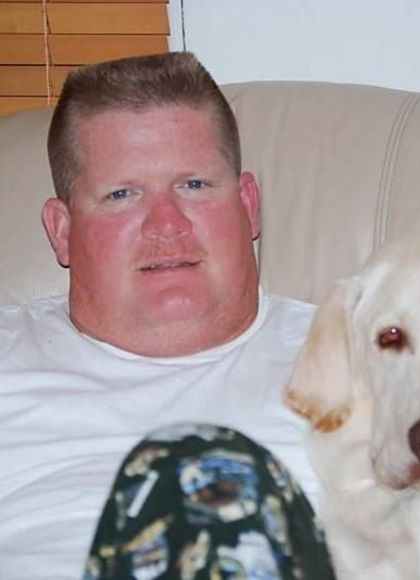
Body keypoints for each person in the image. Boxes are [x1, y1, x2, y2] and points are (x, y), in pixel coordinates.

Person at [0, 52, 334, 579]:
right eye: (121, 194)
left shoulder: (362, 357)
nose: (166, 225)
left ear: (248, 204)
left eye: (194, 185)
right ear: (61, 231)